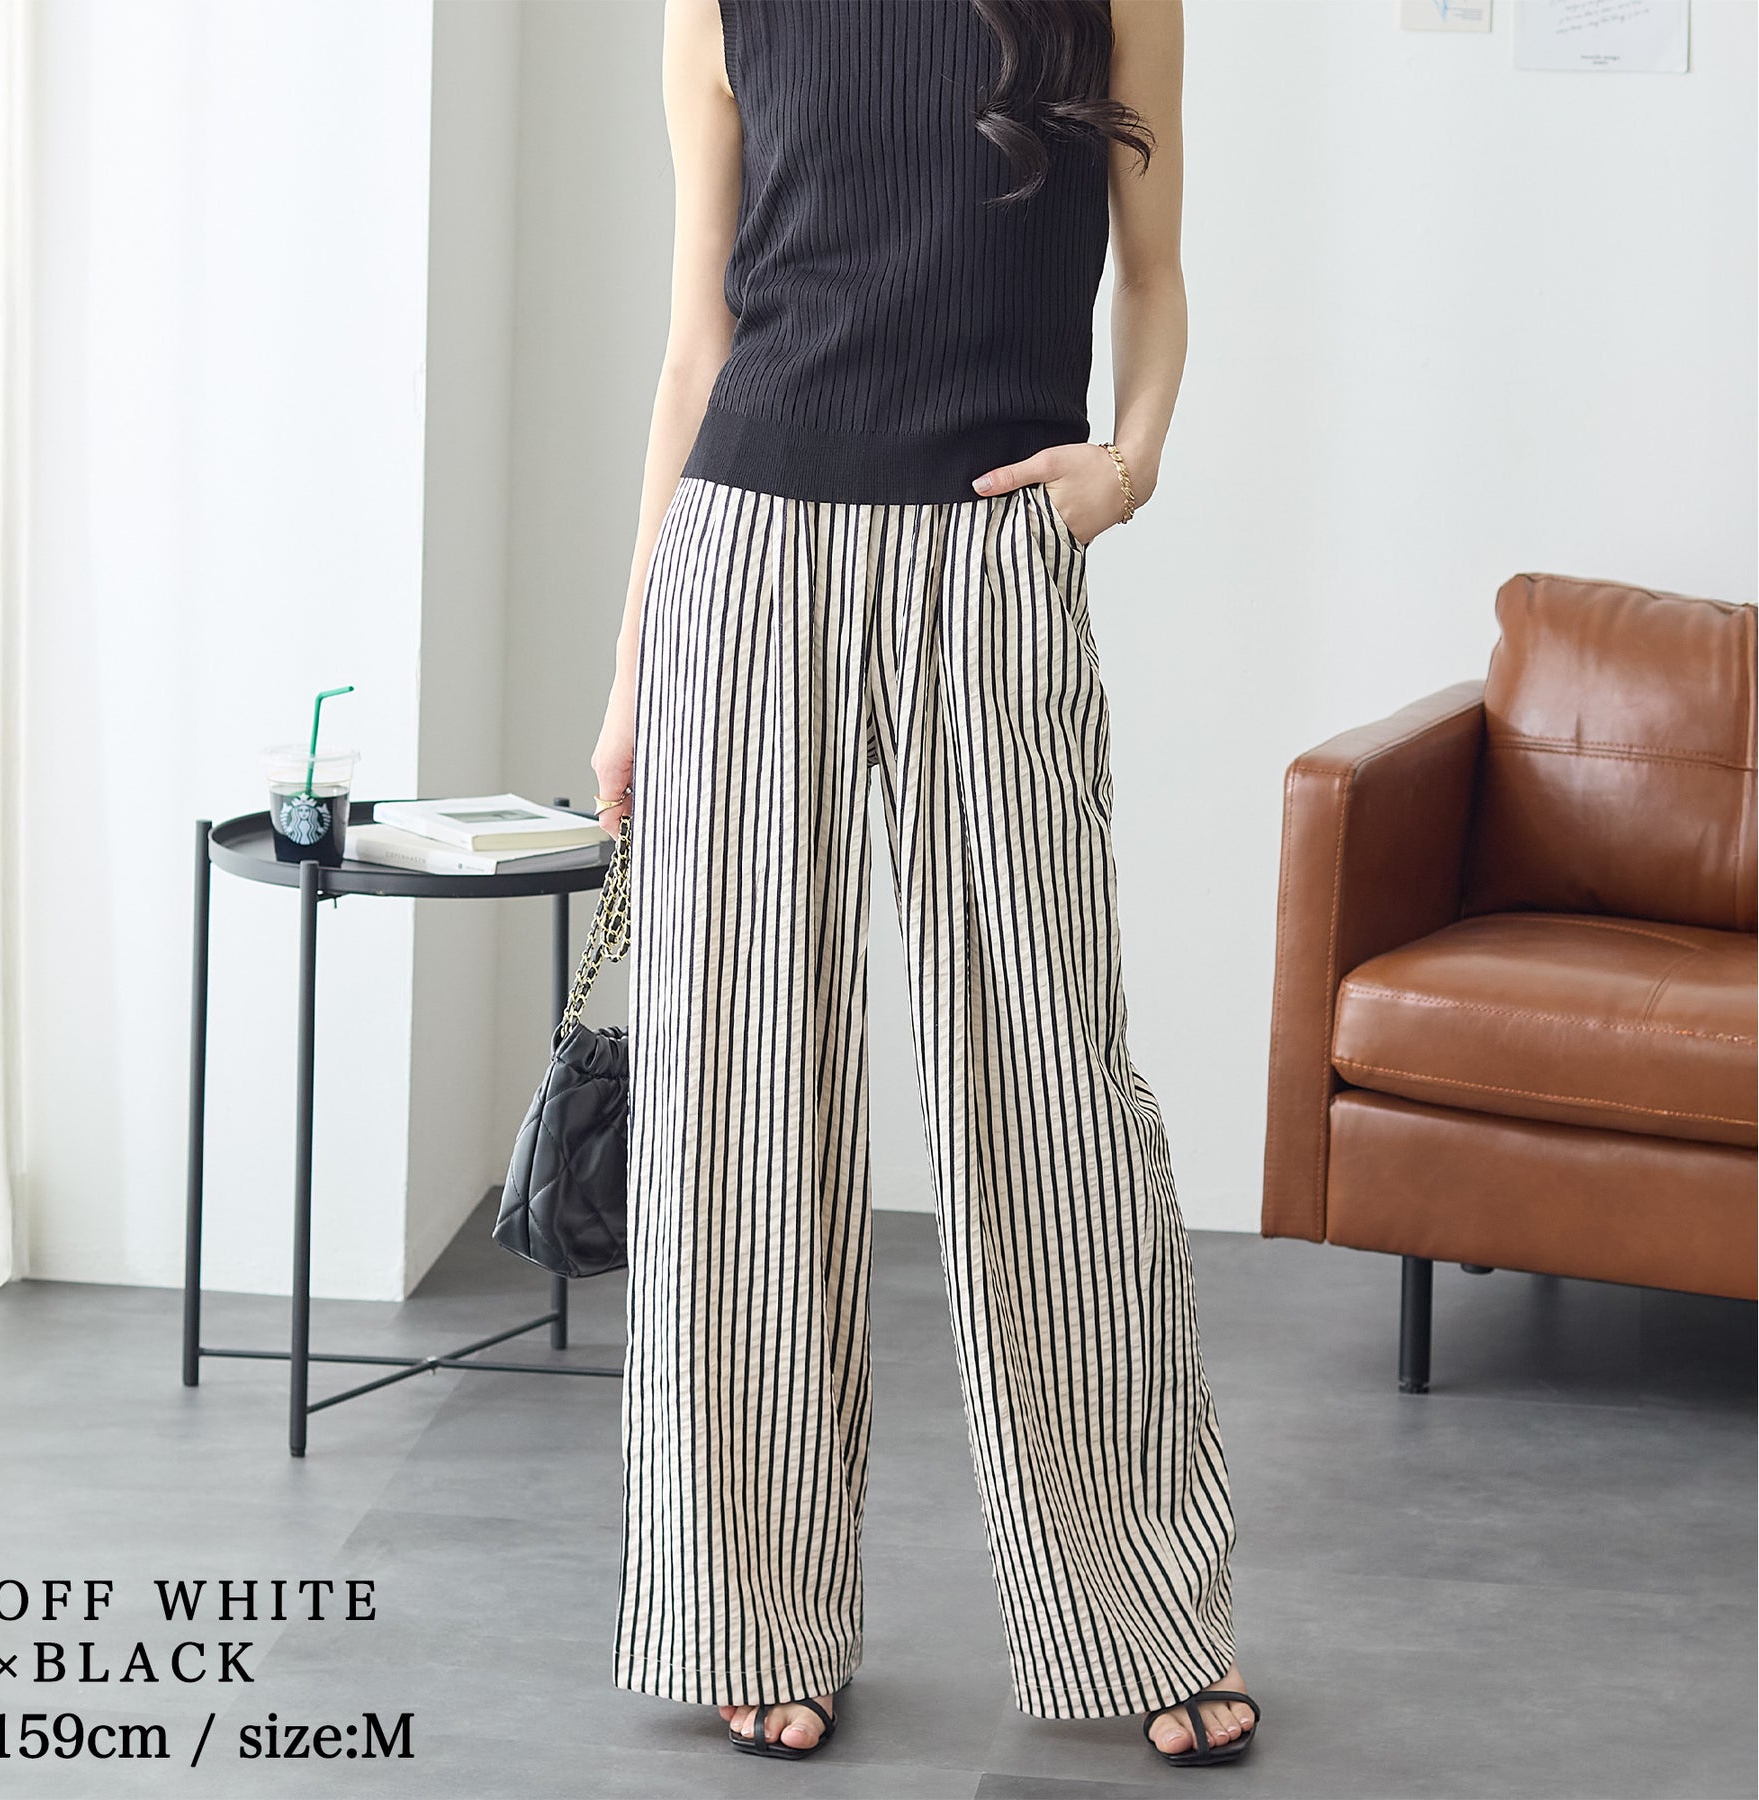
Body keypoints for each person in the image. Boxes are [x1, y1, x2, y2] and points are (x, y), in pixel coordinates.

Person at [589, 0, 1259, 1769]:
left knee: (1050, 1092)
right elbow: (697, 339)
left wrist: (1127, 466)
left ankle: (1139, 1608)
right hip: (745, 559)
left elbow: (1156, 273)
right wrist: (633, 661)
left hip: (994, 554)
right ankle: (748, 1608)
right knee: (740, 1104)